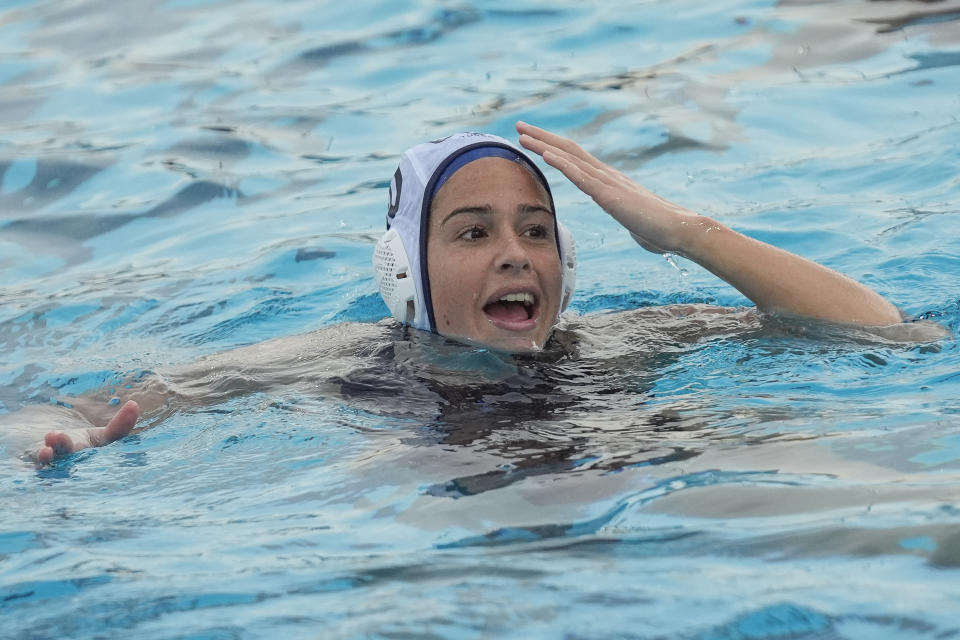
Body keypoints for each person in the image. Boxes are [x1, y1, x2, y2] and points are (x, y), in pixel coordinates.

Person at [14, 122, 944, 467]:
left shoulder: (629, 341)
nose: (515, 254)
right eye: (472, 232)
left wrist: (681, 234)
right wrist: (75, 436)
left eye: (536, 231)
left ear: (565, 265)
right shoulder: (332, 363)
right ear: (404, 273)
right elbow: (111, 405)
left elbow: (899, 339)